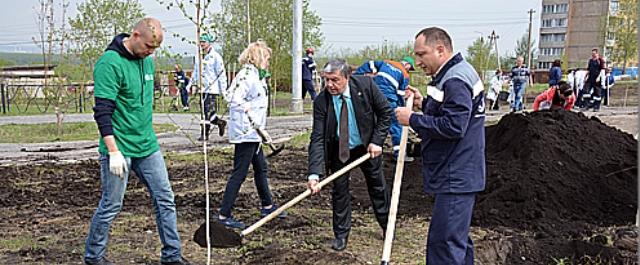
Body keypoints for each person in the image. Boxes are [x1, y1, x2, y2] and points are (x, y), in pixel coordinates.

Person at [86, 18, 190, 265]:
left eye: (155, 49)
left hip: (147, 146)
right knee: (111, 205)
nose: (150, 53)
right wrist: (113, 151)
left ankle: (172, 256)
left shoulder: (147, 61)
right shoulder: (109, 64)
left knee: (165, 198)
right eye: (147, 47)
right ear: (134, 35)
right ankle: (94, 257)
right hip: (120, 148)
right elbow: (102, 111)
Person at [395, 27, 485, 265]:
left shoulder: (455, 79)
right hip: (458, 172)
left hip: (456, 173)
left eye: (421, 54)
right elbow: (450, 112)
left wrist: (411, 119)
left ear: (440, 49)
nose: (417, 61)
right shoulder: (454, 74)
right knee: (455, 241)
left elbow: (455, 126)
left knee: (444, 246)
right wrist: (423, 104)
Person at [307, 59, 392, 251]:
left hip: (367, 146)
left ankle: (388, 227)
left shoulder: (366, 85)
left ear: (347, 77)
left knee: (377, 187)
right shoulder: (321, 101)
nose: (329, 85)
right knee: (340, 190)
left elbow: (385, 113)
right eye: (326, 80)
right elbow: (318, 138)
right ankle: (341, 235)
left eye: (335, 80)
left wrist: (377, 141)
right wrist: (314, 174)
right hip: (340, 149)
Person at [217, 40, 286, 229]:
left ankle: (267, 205)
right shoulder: (246, 75)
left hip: (254, 132)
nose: (268, 62)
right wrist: (245, 108)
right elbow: (231, 96)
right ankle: (224, 215)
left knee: (261, 168)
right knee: (239, 173)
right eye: (267, 58)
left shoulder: (257, 75)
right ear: (258, 57)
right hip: (246, 132)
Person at [353, 56, 415, 160]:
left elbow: (370, 64)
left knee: (372, 122)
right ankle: (399, 155)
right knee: (396, 124)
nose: (409, 70)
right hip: (388, 100)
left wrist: (356, 76)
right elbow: (400, 94)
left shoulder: (386, 62)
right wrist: (401, 108)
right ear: (407, 65)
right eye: (410, 68)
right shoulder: (404, 74)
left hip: (373, 95)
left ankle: (365, 150)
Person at [186, 33, 227, 140]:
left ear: (209, 43)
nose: (202, 44)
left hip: (212, 89)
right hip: (202, 88)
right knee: (208, 113)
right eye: (201, 42)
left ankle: (205, 134)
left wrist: (224, 91)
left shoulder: (216, 57)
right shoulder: (198, 56)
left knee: (206, 112)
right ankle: (220, 123)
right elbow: (195, 72)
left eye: (204, 42)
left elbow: (221, 74)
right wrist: (190, 84)